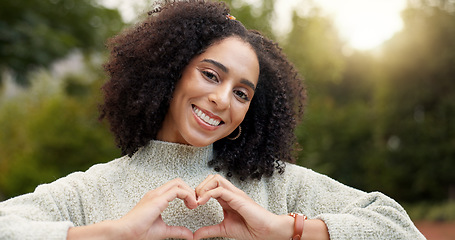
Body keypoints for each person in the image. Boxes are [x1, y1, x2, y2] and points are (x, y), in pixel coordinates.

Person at [0, 0, 425, 239]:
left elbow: (400, 229)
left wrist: (287, 230)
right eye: (210, 74)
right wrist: (109, 236)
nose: (223, 99)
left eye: (242, 92)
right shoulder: (90, 191)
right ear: (170, 72)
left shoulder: (279, 185)